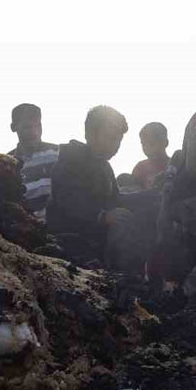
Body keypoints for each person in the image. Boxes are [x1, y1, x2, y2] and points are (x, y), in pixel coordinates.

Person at [46, 105, 138, 269]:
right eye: (110, 138)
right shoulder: (70, 160)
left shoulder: (104, 167)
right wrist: (103, 216)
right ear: (89, 134)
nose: (115, 145)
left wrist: (154, 196)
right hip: (70, 241)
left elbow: (117, 201)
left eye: (118, 140)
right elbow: (69, 201)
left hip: (97, 239)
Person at [7, 103, 59, 222]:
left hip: (58, 227)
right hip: (27, 230)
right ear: (13, 127)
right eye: (27, 127)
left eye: (38, 126)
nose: (34, 132)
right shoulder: (7, 163)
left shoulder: (57, 154)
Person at [132, 122, 171, 190]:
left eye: (151, 143)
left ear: (165, 143)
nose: (147, 148)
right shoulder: (140, 168)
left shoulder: (175, 165)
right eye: (143, 144)